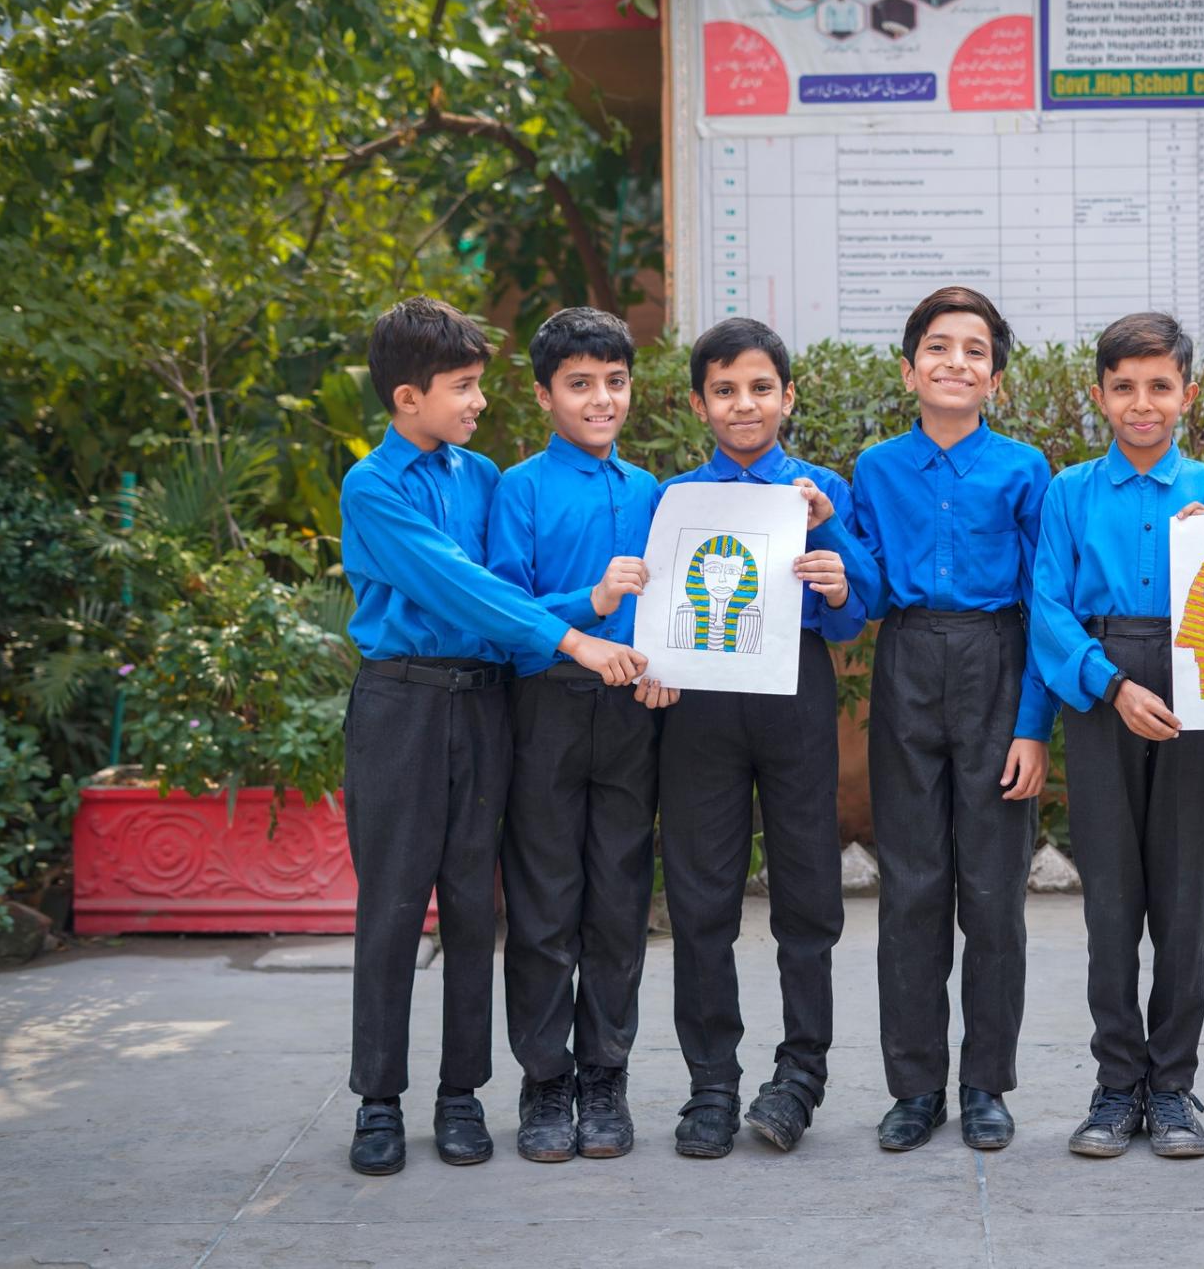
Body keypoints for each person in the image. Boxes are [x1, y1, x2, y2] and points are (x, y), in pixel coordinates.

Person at [339, 297, 643, 1177]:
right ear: (408, 398)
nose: (477, 403)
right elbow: (458, 587)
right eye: (463, 388)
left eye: (477, 387)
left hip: (484, 707)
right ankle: (379, 1100)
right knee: (395, 908)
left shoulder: (482, 479)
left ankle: (461, 1094)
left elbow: (504, 595)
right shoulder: (374, 486)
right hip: (400, 705)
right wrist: (576, 631)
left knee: (478, 905)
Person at [658, 316, 881, 1157]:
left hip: (794, 694)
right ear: (698, 404)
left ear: (789, 396)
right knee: (701, 897)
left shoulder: (820, 488)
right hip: (701, 709)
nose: (743, 405)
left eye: (759, 388)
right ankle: (710, 1083)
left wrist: (829, 548)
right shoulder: (677, 500)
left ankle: (799, 1075)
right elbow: (657, 615)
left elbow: (859, 612)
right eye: (724, 390)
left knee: (807, 897)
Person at [1029, 311, 1204, 1159]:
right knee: (1111, 902)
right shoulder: (1069, 492)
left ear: (1187, 394)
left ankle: (1176, 1088)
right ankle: (1117, 1086)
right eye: (1125, 387)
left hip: (1196, 688)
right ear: (1100, 396)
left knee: (1184, 900)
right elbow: (1046, 608)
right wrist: (1111, 686)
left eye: (1160, 386)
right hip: (1101, 684)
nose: (1142, 403)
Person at [850, 286, 1053, 1153]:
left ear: (995, 380)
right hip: (906, 658)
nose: (956, 363)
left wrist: (1034, 725)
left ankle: (985, 1085)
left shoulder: (1025, 469)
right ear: (909, 369)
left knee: (994, 894)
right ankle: (915, 1086)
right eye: (938, 347)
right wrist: (823, 536)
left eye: (975, 351)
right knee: (912, 889)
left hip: (996, 661)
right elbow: (857, 586)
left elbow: (1047, 598)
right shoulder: (874, 469)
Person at [485, 306, 672, 1165]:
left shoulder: (653, 494)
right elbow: (503, 614)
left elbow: (679, 607)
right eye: (581, 385)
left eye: (616, 382)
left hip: (634, 714)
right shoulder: (517, 488)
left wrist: (670, 657)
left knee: (619, 904)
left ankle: (606, 1076)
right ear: (543, 396)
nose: (602, 400)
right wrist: (589, 605)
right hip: (547, 709)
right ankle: (542, 1081)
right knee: (544, 905)